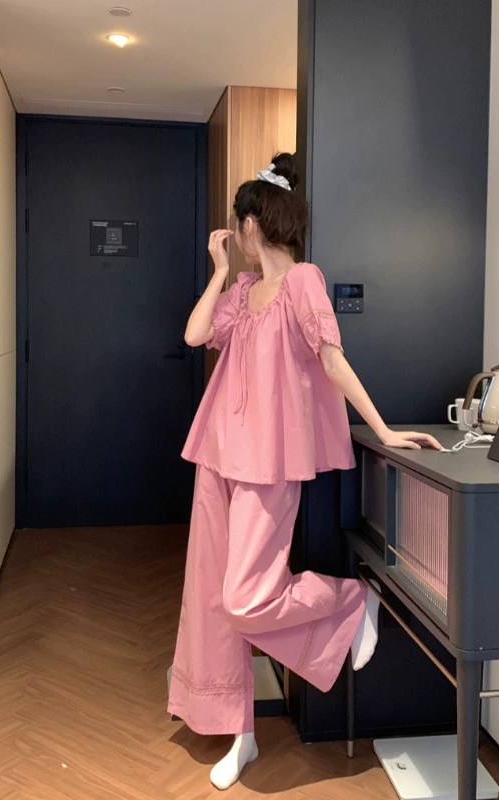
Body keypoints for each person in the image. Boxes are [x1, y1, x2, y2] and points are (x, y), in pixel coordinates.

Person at [167, 153, 442, 790]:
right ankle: (239, 733)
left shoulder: (303, 282)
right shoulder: (241, 290)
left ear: (252, 223)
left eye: (238, 225)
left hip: (268, 463)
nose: (237, 236)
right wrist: (218, 272)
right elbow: (194, 335)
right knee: (212, 598)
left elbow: (332, 360)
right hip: (217, 454)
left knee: (245, 597)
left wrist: (383, 429)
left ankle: (350, 601)